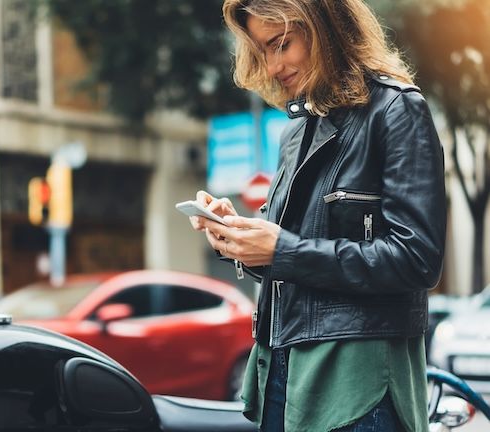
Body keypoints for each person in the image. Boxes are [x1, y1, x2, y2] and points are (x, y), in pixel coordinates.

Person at [189, 1, 446, 431]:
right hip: (282, 375)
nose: (272, 67)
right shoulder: (296, 132)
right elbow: (295, 264)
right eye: (261, 51)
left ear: (325, 27)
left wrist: (282, 249)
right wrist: (240, 237)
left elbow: (417, 259)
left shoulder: (396, 110)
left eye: (282, 44)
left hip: (357, 379)